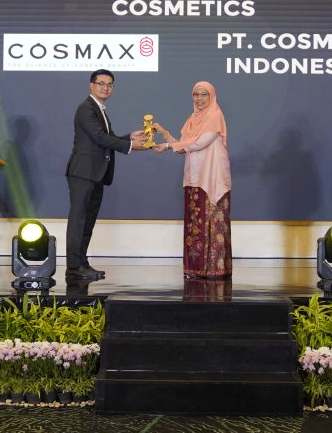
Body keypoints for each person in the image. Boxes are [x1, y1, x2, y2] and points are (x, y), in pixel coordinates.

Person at [65, 69, 147, 280]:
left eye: (110, 84)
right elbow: (100, 138)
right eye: (101, 83)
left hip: (96, 173)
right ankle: (73, 267)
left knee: (88, 222)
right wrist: (130, 145)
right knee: (78, 221)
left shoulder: (99, 109)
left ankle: (81, 263)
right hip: (83, 172)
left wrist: (130, 137)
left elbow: (107, 138)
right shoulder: (86, 109)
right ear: (91, 85)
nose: (106, 88)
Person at [153, 81, 232, 280]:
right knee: (195, 225)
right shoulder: (192, 119)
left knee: (212, 222)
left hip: (211, 179)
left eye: (204, 94)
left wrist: (168, 146)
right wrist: (163, 133)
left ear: (211, 96)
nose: (199, 98)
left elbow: (199, 143)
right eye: (196, 94)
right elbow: (182, 146)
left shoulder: (215, 116)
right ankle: (195, 269)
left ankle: (214, 271)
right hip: (194, 178)